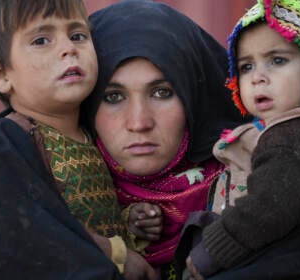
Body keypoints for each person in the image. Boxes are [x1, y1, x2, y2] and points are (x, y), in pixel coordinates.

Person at [0, 1, 156, 279]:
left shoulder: (97, 132)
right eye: (42, 40)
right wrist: (118, 255)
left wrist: (131, 220)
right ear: (3, 76)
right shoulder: (10, 139)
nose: (69, 49)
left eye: (78, 36)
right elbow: (31, 230)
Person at [176, 0, 300, 279]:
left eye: (277, 60)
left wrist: (211, 252)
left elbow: (273, 205)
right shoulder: (281, 129)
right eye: (245, 67)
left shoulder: (299, 132)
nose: (258, 78)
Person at [82, 0, 245, 278]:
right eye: (113, 97)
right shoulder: (54, 193)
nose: (139, 123)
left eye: (162, 93)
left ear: (193, 95)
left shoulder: (253, 184)